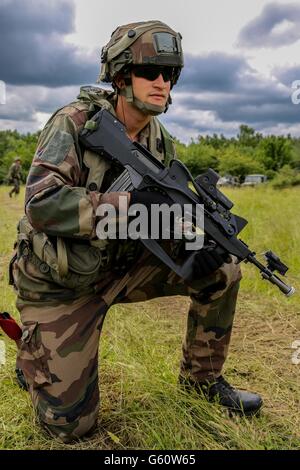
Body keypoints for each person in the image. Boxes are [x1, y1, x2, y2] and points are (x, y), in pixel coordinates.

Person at [10, 20, 262, 443]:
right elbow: (40, 206)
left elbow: (161, 211)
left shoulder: (158, 138)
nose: (163, 82)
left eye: (171, 74)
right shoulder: (73, 123)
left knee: (222, 269)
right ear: (121, 75)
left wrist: (194, 241)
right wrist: (125, 205)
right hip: (62, 281)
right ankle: (35, 359)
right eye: (152, 72)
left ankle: (201, 381)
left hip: (120, 266)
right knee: (72, 428)